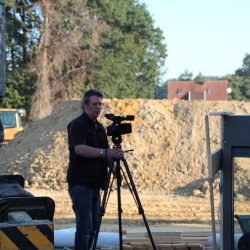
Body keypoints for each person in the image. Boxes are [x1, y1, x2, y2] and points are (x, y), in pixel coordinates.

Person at [67, 89, 124, 250]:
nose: (98, 108)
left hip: (95, 184)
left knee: (94, 227)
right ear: (85, 105)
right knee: (84, 227)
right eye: (94, 104)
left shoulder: (99, 127)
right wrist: (106, 152)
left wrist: (113, 161)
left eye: (100, 104)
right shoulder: (77, 125)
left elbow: (105, 154)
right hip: (80, 184)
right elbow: (79, 149)